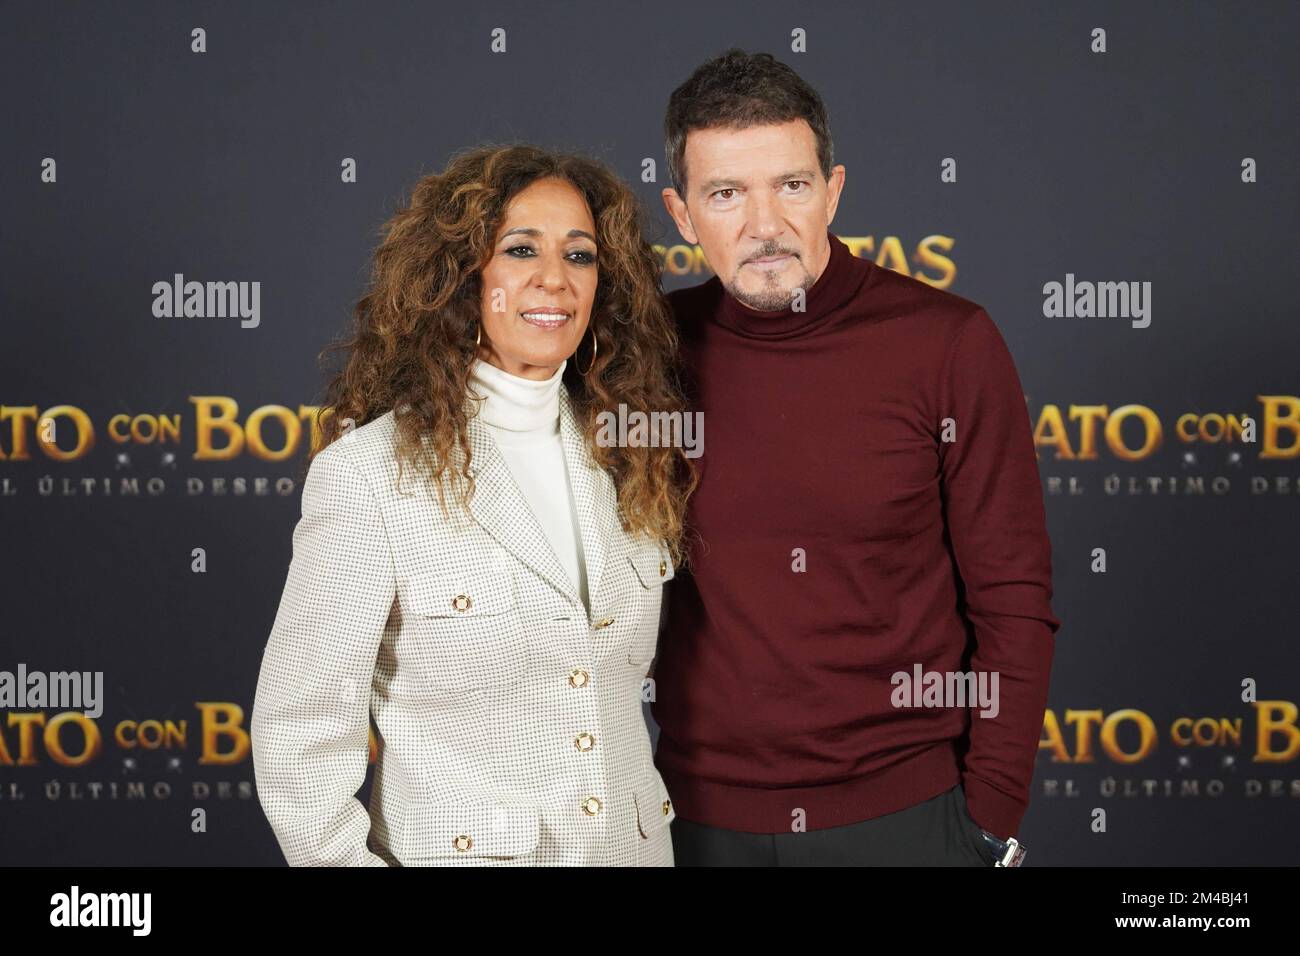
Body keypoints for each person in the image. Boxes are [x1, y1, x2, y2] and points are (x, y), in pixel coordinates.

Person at [651, 49, 1061, 866]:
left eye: (792, 186)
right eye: (726, 193)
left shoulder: (946, 342)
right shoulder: (646, 353)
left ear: (833, 191)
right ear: (683, 214)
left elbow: (1013, 598)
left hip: (907, 816)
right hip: (686, 824)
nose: (764, 226)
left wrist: (989, 821)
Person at [251, 144, 696, 866]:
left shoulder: (632, 454)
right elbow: (299, 739)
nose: (555, 278)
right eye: (520, 249)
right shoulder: (367, 476)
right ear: (462, 277)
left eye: (580, 257)